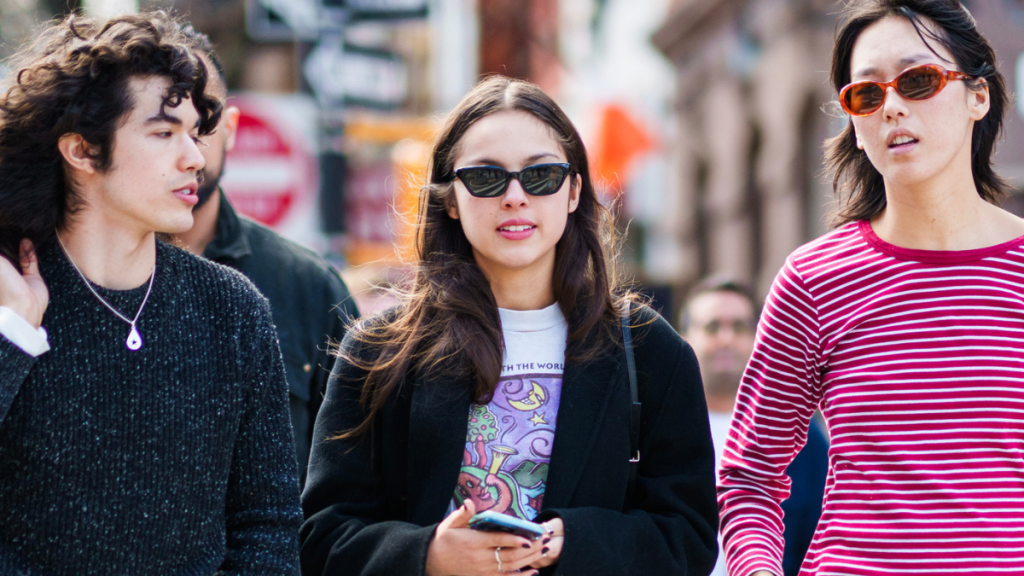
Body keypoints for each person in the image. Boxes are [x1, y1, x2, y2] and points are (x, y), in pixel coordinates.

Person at [300, 76, 719, 576]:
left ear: (573, 191)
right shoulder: (379, 349)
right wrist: (428, 556)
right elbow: (322, 535)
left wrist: (576, 544)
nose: (516, 197)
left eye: (540, 175)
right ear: (450, 200)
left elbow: (690, 537)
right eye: (486, 178)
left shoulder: (649, 350)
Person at [717, 1, 1024, 574]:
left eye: (919, 80)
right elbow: (749, 479)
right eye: (866, 95)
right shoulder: (813, 281)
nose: (893, 108)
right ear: (852, 124)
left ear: (977, 97)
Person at [0, 12, 300, 574]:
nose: (194, 157)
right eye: (164, 133)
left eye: (195, 133)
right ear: (83, 152)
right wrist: (13, 334)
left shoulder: (233, 309)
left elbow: (267, 521)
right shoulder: (9, 297)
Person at [177, 26, 359, 485]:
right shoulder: (62, 275)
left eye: (202, 126)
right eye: (161, 130)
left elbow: (354, 482)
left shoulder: (308, 285)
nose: (185, 152)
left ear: (231, 129)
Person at [680, 277, 827, 576]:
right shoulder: (656, 433)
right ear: (684, 337)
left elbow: (821, 537)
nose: (725, 338)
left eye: (739, 326)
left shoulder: (803, 439)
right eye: (711, 327)